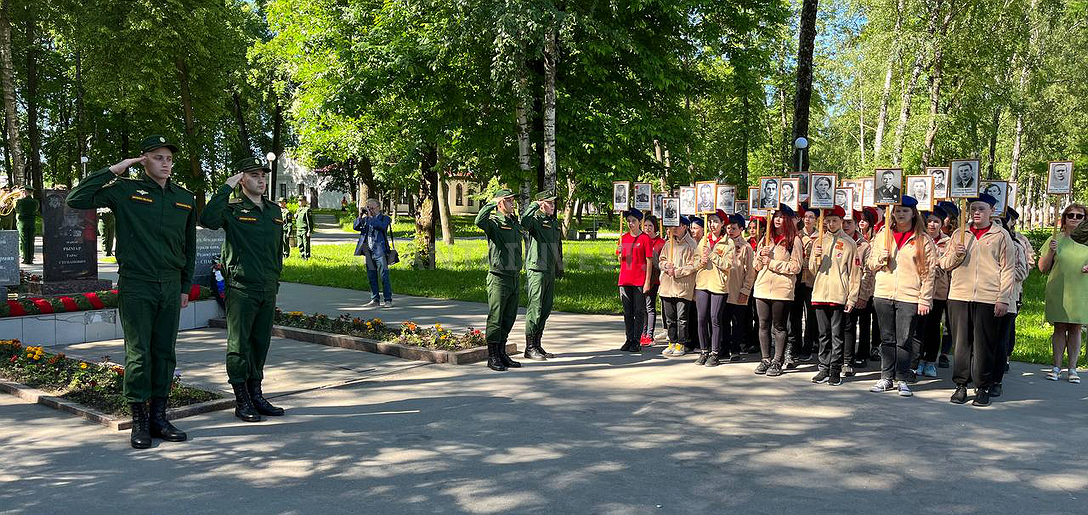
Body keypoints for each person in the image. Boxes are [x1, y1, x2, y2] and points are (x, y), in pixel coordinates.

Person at [67, 135, 195, 449]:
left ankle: (159, 418)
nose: (165, 163)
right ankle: (139, 420)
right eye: (157, 157)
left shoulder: (184, 197)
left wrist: (183, 286)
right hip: (137, 283)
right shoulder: (125, 191)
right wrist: (115, 169)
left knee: (165, 353)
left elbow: (188, 247)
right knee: (139, 355)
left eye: (168, 158)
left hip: (169, 284)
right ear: (143, 160)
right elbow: (77, 198)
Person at [199, 157, 285, 422]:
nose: (261, 179)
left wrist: (275, 276)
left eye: (263, 175)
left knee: (260, 343)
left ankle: (256, 393)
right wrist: (226, 187)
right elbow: (207, 219)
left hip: (268, 286)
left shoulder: (273, 211)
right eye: (254, 175)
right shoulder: (232, 209)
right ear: (242, 180)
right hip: (241, 287)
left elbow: (277, 248)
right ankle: (241, 398)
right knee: (239, 344)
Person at [942, 193, 1014, 406]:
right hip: (960, 295)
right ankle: (961, 385)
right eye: (973, 208)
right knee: (962, 344)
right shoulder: (959, 234)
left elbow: (1008, 269)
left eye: (981, 209)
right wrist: (956, 254)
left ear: (992, 211)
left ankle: (982, 386)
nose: (976, 213)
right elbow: (944, 263)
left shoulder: (1000, 235)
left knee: (984, 344)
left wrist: (1003, 298)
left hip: (988, 297)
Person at [867, 196, 936, 398]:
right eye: (897, 210)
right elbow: (870, 264)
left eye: (905, 211)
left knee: (904, 340)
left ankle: (902, 378)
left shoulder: (923, 239)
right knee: (886, 338)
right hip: (883, 293)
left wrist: (925, 298)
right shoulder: (883, 235)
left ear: (913, 213)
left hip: (909, 295)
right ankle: (885, 377)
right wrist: (880, 258)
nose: (900, 214)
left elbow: (929, 272)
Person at [809, 206, 861, 385]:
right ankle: (823, 367)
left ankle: (835, 369)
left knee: (837, 334)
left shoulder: (849, 243)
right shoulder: (819, 241)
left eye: (835, 220)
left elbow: (855, 273)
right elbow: (812, 270)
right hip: (820, 292)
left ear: (841, 222)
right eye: (828, 221)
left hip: (839, 294)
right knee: (823, 334)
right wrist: (816, 258)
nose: (831, 224)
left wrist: (852, 297)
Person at [1039, 203, 1088, 384]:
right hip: (1058, 289)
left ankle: (1072, 368)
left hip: (1082, 290)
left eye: (1079, 216)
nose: (1074, 219)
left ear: (1085, 219)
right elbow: (1043, 268)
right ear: (1064, 219)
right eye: (1071, 215)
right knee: (1059, 327)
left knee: (1075, 328)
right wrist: (1051, 251)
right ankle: (1056, 367)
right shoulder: (1055, 239)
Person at [475, 189, 523, 371]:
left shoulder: (513, 222)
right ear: (501, 203)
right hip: (498, 277)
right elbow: (479, 220)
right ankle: (492, 356)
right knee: (496, 317)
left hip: (514, 277)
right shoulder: (494, 223)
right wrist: (491, 202)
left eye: (512, 200)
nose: (513, 204)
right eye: (509, 201)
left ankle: (502, 353)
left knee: (509, 317)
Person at [752, 204, 803, 377]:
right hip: (762, 287)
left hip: (782, 289)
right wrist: (760, 254)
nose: (777, 219)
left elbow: (796, 267)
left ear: (787, 219)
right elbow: (756, 266)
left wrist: (772, 263)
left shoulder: (794, 240)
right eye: (775, 216)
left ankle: (777, 360)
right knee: (763, 324)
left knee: (779, 326)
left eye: (781, 216)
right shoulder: (766, 238)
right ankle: (765, 358)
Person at [988, 215, 1028, 397]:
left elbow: (1022, 271)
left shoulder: (1016, 246)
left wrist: (999, 271)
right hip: (982, 297)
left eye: (998, 224)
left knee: (1000, 342)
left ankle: (996, 380)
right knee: (981, 342)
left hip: (1007, 299)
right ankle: (981, 376)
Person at [521, 191, 561, 360]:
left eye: (553, 204)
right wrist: (533, 205)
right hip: (536, 270)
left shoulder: (553, 223)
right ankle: (529, 347)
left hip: (549, 270)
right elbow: (523, 222)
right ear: (542, 204)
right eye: (549, 203)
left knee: (545, 308)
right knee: (535, 309)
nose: (552, 206)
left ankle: (537, 344)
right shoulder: (536, 221)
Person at [692, 210, 735, 366]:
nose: (712, 224)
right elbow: (695, 262)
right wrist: (701, 261)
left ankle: (715, 353)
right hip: (703, 283)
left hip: (718, 285)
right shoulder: (703, 240)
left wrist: (712, 255)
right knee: (701, 318)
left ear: (723, 224)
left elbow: (728, 264)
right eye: (710, 221)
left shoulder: (728, 243)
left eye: (716, 221)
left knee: (715, 318)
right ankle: (704, 351)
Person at [914, 207, 950, 379]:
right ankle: (918, 359)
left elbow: (946, 266)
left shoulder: (948, 242)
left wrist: (935, 266)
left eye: (936, 221)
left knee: (934, 327)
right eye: (929, 221)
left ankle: (930, 361)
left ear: (942, 224)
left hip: (939, 291)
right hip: (919, 290)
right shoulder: (919, 240)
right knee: (919, 326)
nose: (932, 224)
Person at [660, 217, 697, 358]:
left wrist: (677, 271)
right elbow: (661, 259)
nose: (674, 228)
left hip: (683, 286)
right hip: (667, 286)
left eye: (678, 225)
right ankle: (672, 341)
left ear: (685, 227)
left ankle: (682, 343)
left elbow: (693, 265)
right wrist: (664, 266)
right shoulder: (668, 243)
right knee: (669, 317)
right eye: (672, 225)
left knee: (682, 317)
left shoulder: (691, 244)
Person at [617, 208, 653, 353]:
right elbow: (621, 259)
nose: (631, 224)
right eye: (629, 221)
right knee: (627, 312)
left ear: (640, 222)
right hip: (625, 279)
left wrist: (647, 281)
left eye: (634, 221)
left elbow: (649, 260)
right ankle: (629, 338)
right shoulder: (623, 238)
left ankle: (637, 340)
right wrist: (619, 253)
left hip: (639, 280)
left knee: (638, 311)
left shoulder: (645, 239)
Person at [842, 213, 873, 376]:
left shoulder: (864, 246)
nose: (846, 226)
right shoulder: (837, 241)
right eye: (844, 222)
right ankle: (842, 356)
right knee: (844, 325)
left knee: (858, 324)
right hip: (840, 291)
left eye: (849, 222)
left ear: (856, 224)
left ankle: (860, 355)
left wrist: (863, 295)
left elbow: (868, 272)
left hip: (859, 290)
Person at [723, 213, 755, 362]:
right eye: (728, 227)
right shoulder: (722, 244)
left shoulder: (746, 247)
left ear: (741, 229)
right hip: (722, 289)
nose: (730, 231)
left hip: (737, 290)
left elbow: (750, 271)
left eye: (734, 228)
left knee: (737, 322)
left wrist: (746, 290)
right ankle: (723, 347)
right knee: (723, 320)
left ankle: (735, 349)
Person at [790, 207, 819, 366]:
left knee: (811, 316)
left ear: (816, 220)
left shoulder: (820, 236)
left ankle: (808, 346)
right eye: (805, 216)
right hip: (798, 279)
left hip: (813, 280)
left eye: (811, 217)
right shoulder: (797, 236)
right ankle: (795, 347)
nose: (807, 219)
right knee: (795, 315)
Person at [354, 199, 394, 307]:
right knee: (371, 276)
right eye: (368, 208)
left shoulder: (385, 218)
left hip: (380, 251)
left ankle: (387, 300)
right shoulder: (366, 219)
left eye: (372, 208)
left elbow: (382, 227)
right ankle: (375, 299)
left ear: (378, 208)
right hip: (369, 251)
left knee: (383, 275)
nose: (370, 210)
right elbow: (355, 227)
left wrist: (371, 217)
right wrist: (360, 215)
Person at [641, 215, 666, 346]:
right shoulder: (641, 239)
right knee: (642, 307)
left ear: (655, 227)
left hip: (654, 279)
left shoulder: (660, 242)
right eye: (645, 226)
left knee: (649, 306)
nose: (647, 228)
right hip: (640, 277)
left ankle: (649, 335)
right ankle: (642, 332)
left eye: (650, 226)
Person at [15, 188, 39, 264]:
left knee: (24, 240)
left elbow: (17, 210)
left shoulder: (20, 201)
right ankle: (31, 258)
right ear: (31, 193)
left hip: (23, 223)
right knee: (31, 240)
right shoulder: (35, 202)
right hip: (32, 222)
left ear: (25, 192)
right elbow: (36, 210)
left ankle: (26, 259)